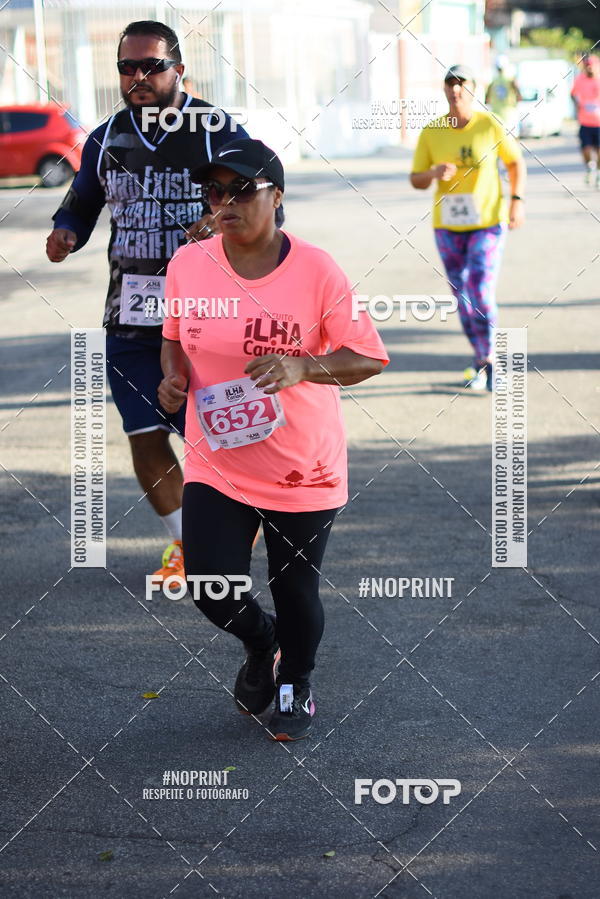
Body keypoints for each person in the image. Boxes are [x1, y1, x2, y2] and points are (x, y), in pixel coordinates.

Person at [158, 138, 389, 740]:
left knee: (295, 589)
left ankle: (297, 680)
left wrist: (302, 367)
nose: (225, 203)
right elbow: (175, 335)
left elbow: (367, 356)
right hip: (218, 458)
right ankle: (262, 647)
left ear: (276, 195)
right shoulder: (189, 263)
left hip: (300, 463)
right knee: (210, 584)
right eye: (214, 192)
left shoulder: (315, 269)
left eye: (242, 190)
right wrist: (173, 376)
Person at [45, 20, 250, 581]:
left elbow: (266, 200)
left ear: (179, 70)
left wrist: (221, 222)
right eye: (126, 67)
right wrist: (66, 230)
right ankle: (191, 548)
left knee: (219, 440)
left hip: (207, 320)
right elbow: (82, 201)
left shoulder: (214, 129)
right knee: (145, 435)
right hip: (131, 320)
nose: (137, 77)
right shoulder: (107, 137)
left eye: (150, 66)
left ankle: (239, 533)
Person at [410, 64, 526, 391]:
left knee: (481, 291)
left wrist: (517, 200)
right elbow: (415, 179)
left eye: (462, 83)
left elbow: (515, 163)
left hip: (487, 222)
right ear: (444, 89)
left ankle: (489, 359)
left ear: (474, 89)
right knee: (462, 297)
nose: (456, 89)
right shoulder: (432, 131)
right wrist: (433, 173)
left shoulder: (489, 125)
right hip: (447, 226)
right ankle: (481, 360)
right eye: (450, 83)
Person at [571, 53, 600, 188]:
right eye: (587, 66)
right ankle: (590, 168)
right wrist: (577, 104)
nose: (589, 69)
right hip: (585, 122)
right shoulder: (579, 80)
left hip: (599, 123)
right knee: (586, 150)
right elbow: (572, 94)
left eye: (591, 66)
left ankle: (599, 173)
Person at [485, 55, 522, 135]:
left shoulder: (492, 82)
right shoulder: (511, 81)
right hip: (510, 118)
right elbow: (519, 98)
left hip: (496, 119)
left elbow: (487, 101)